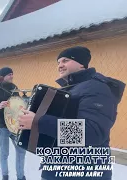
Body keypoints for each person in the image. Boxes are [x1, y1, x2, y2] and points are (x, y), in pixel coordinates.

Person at [18, 46, 125, 180]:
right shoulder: (71, 90)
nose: (60, 65)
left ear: (81, 64)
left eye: (65, 61)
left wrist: (39, 121)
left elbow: (92, 133)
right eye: (58, 62)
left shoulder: (97, 88)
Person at [0, 67, 27, 180]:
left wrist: (24, 102)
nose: (12, 76)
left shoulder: (14, 88)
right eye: (9, 74)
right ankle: (5, 176)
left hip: (15, 125)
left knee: (21, 151)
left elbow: (19, 104)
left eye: (12, 74)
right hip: (2, 126)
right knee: (4, 153)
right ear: (2, 76)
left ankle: (21, 176)